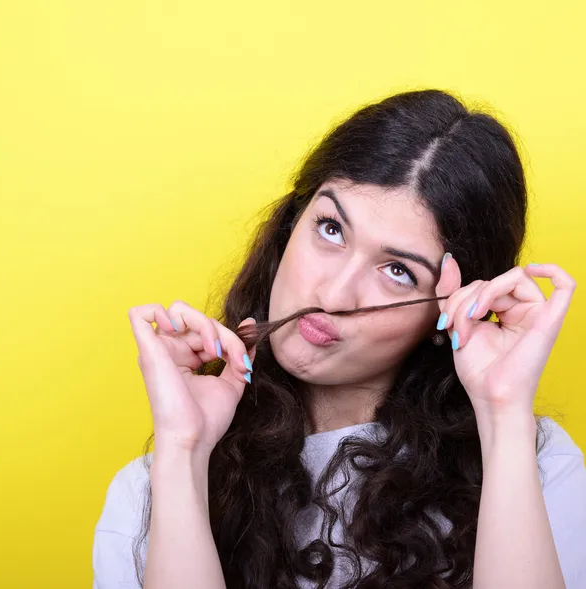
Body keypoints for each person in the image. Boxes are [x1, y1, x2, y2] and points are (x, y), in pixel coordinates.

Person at [93, 89, 586, 589]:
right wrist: (186, 450)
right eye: (330, 229)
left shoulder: (537, 466)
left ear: (455, 304)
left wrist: (503, 413)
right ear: (290, 224)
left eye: (397, 270)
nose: (334, 295)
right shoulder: (149, 492)